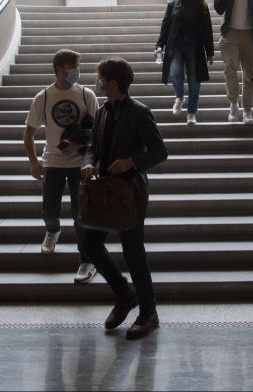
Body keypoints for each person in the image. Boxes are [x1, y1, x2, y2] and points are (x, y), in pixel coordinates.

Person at [81, 58, 168, 340]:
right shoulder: (104, 110)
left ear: (113, 82)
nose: (99, 81)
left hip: (130, 191)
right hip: (104, 189)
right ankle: (124, 294)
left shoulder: (140, 112)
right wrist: (89, 162)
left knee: (133, 251)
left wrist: (132, 161)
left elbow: (159, 152)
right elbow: (93, 145)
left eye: (101, 77)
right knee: (89, 245)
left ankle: (149, 313)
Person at [23, 49, 99, 284]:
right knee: (49, 210)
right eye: (73, 66)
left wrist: (89, 158)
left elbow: (99, 130)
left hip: (80, 164)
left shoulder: (87, 95)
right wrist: (34, 162)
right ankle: (53, 231)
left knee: (81, 215)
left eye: (78, 65)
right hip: (53, 162)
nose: (77, 70)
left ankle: (86, 260)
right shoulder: (43, 97)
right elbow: (29, 132)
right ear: (59, 69)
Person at [155, 0, 215, 126]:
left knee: (195, 82)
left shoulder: (203, 7)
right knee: (175, 73)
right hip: (176, 45)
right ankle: (179, 97)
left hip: (195, 47)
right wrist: (159, 45)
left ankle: (191, 113)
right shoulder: (174, 4)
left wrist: (210, 53)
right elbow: (165, 26)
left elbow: (208, 30)